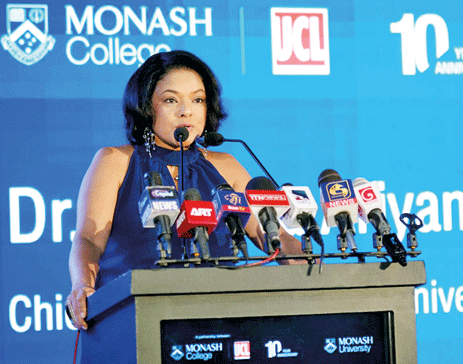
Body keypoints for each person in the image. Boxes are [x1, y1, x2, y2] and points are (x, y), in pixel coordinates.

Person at [66, 50, 305, 330]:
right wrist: (82, 285)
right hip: (134, 319)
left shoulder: (226, 166)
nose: (186, 111)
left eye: (197, 99)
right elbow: (88, 240)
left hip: (219, 319)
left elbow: (273, 236)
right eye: (171, 100)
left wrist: (313, 266)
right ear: (145, 106)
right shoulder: (115, 161)